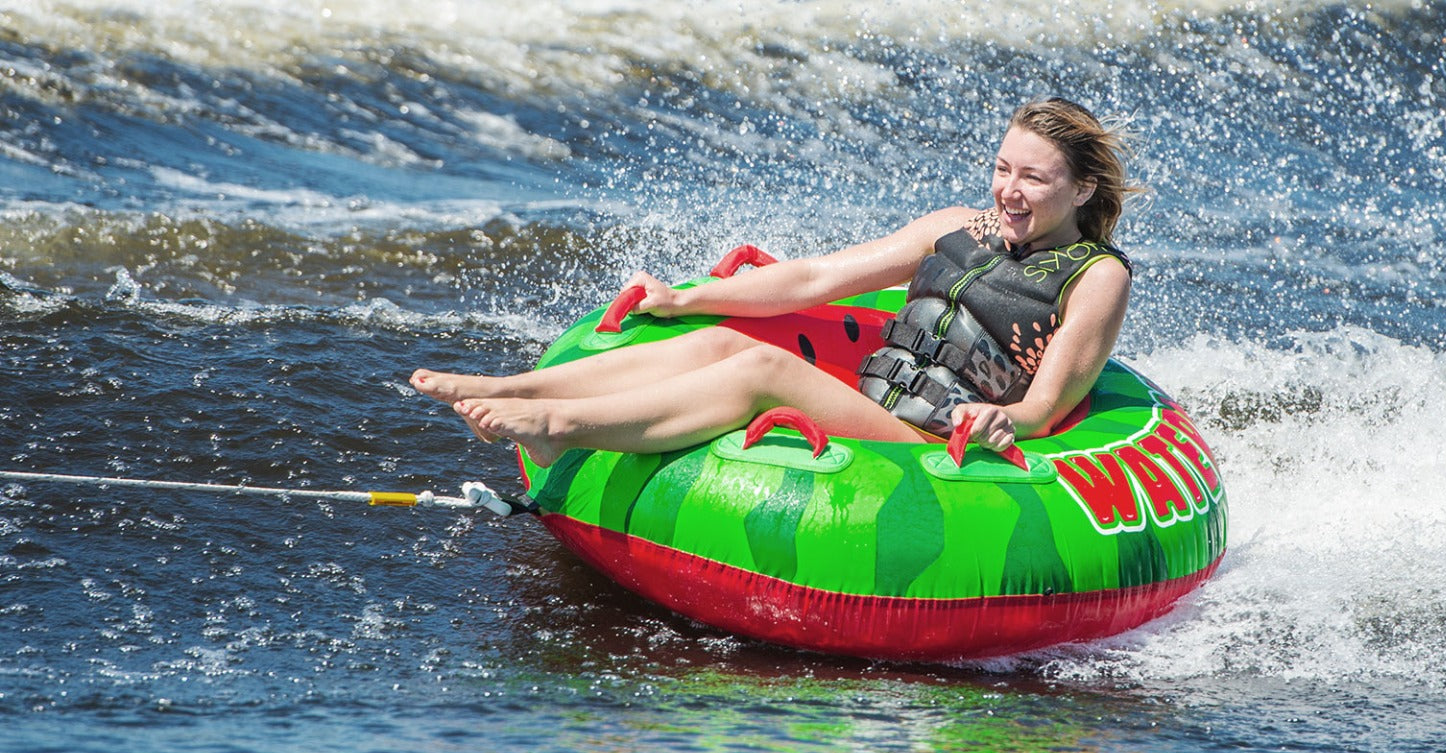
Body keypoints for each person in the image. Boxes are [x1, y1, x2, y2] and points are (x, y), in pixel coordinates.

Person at [411, 98, 1140, 468]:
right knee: (719, 342)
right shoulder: (954, 224)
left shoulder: (1095, 276)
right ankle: (515, 387)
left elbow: (1047, 406)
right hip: (873, 400)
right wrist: (687, 297)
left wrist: (997, 423)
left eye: (1033, 178)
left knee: (760, 367)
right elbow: (819, 277)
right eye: (1002, 169)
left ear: (1080, 191)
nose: (1009, 190)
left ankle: (563, 432)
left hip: (929, 445)